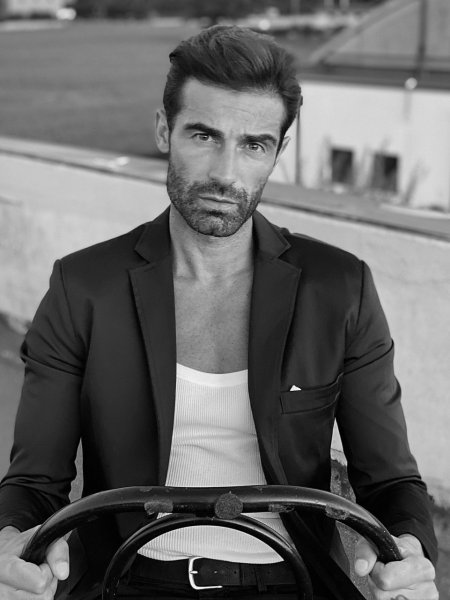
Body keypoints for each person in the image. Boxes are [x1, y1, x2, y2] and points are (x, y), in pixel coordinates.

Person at [0, 25, 439, 600]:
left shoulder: (339, 288)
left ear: (278, 152)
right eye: (204, 135)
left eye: (253, 144)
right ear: (164, 130)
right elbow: (34, 483)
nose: (225, 173)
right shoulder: (83, 287)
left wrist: (410, 550)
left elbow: (392, 480)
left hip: (292, 579)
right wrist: (10, 543)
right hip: (127, 576)